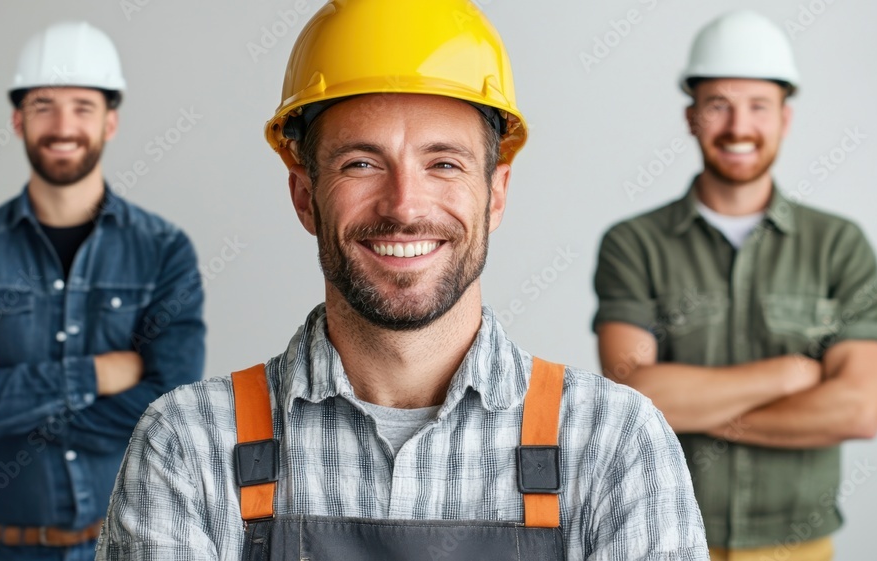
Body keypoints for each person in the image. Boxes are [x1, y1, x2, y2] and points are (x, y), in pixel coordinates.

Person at [97, 1, 708, 559]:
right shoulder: (191, 445)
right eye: (361, 163)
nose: (404, 206)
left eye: (443, 163)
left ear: (495, 194)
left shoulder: (611, 443)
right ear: (305, 196)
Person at [593, 10, 877, 561]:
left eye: (758, 106)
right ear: (691, 117)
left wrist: (698, 410)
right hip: (664, 536)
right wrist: (789, 374)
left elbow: (858, 409)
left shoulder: (840, 245)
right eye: (718, 105)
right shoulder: (632, 244)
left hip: (796, 547)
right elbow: (633, 395)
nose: (738, 126)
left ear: (785, 118)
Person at [0, 21, 205, 560]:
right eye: (43, 106)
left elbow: (171, 410)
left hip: (127, 547)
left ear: (110, 121)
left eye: (82, 107)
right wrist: (97, 374)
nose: (63, 126)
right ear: (17, 119)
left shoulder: (163, 249)